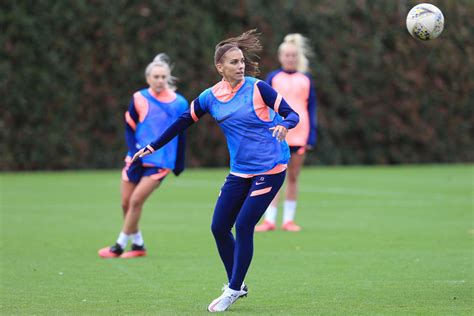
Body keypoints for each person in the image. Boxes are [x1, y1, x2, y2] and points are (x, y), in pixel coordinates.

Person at [132, 30, 299, 312]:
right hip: (240, 170)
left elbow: (292, 113)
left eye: (242, 61)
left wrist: (286, 124)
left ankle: (233, 288)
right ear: (219, 67)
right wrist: (152, 146)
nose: (240, 65)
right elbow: (183, 121)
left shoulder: (259, 88)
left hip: (271, 167)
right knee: (219, 227)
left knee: (244, 225)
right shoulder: (210, 96)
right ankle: (238, 282)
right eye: (233, 62)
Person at [98, 53, 188, 258]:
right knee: (125, 203)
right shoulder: (138, 98)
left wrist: (179, 163)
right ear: (148, 78)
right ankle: (138, 245)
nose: (159, 80)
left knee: (136, 201)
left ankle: (119, 246)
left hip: (162, 160)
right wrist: (133, 150)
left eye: (163, 77)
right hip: (137, 157)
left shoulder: (179, 103)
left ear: (168, 78)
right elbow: (129, 127)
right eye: (155, 77)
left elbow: (182, 134)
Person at [255, 33, 317, 232]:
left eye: (293, 55)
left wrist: (311, 135)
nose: (290, 58)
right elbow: (263, 105)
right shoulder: (273, 78)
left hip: (300, 133)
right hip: (277, 132)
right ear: (281, 57)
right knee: (273, 175)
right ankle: (269, 220)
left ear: (298, 58)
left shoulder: (305, 79)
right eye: (287, 55)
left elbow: (311, 108)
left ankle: (288, 220)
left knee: (293, 177)